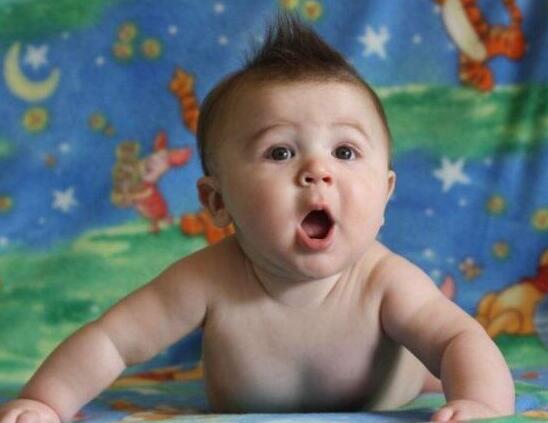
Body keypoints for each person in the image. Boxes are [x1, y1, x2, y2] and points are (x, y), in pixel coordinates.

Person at [0, 13, 515, 423]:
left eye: (345, 151)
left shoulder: (386, 282)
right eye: (280, 152)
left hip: (395, 389)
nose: (318, 171)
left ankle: (426, 378)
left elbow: (458, 339)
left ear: (384, 195)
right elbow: (111, 341)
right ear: (217, 202)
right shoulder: (206, 280)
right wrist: (44, 402)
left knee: (436, 367)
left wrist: (479, 403)